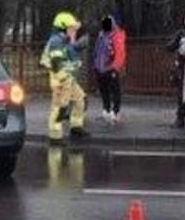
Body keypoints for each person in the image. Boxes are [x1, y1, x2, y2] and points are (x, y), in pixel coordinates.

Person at [40, 11, 90, 143]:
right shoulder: (56, 41)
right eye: (71, 28)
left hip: (68, 79)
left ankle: (76, 126)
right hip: (61, 80)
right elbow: (56, 64)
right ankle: (55, 136)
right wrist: (64, 78)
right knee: (59, 108)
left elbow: (70, 56)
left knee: (80, 100)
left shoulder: (64, 40)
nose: (74, 31)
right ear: (63, 28)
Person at [93, 14, 127, 123]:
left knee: (115, 90)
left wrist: (115, 67)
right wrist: (95, 64)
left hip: (111, 67)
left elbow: (120, 53)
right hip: (100, 67)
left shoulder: (117, 35)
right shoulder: (101, 35)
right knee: (103, 90)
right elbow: (97, 51)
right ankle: (106, 109)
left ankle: (115, 111)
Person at [166, 11, 185, 128]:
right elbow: (170, 46)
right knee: (182, 94)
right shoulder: (181, 33)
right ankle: (180, 118)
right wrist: (174, 44)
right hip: (183, 66)